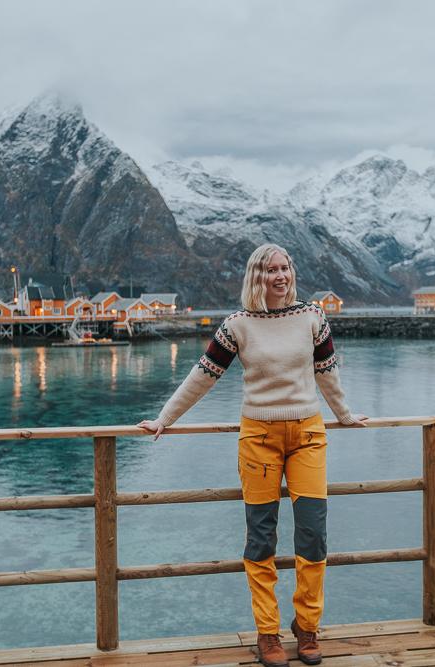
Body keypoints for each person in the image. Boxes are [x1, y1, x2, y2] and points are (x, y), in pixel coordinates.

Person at [138, 243, 368, 667]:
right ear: (256, 276)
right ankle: (268, 633)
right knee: (261, 537)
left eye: (286, 267)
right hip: (258, 437)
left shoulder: (313, 317)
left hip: (308, 435)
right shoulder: (237, 326)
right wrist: (164, 418)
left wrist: (345, 414)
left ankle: (307, 625)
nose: (280, 276)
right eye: (271, 269)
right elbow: (202, 377)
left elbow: (327, 373)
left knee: (313, 535)